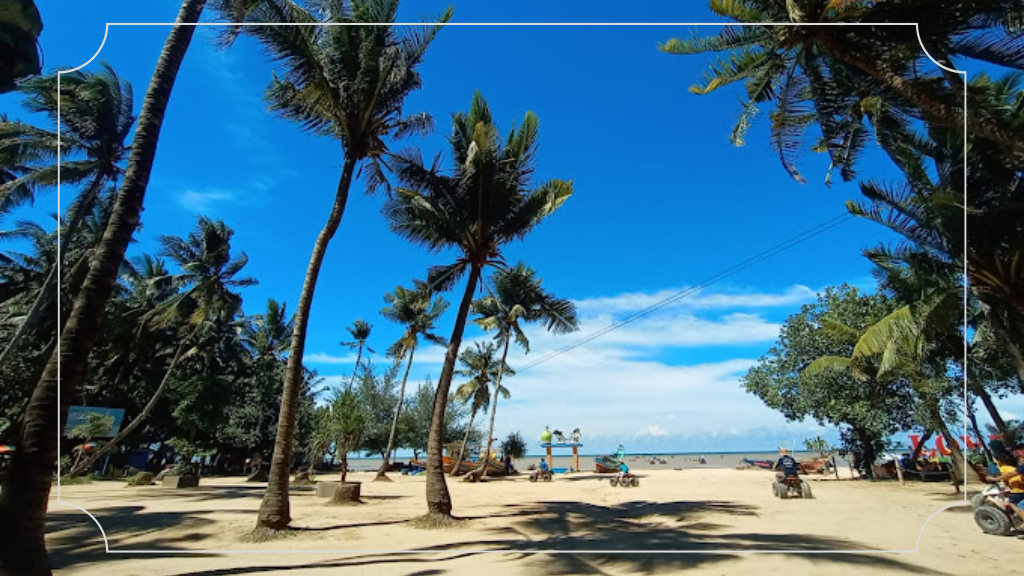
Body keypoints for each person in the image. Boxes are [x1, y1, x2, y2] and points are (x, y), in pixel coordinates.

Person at [985, 446, 1024, 523]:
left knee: (1013, 503)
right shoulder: (1011, 467)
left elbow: (1011, 475)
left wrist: (995, 479)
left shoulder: (1006, 468)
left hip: (1019, 490)